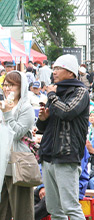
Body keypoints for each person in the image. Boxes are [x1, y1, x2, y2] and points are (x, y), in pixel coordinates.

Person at [37, 54, 89, 220]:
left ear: (70, 72)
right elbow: (47, 127)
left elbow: (67, 111)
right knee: (54, 208)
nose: (54, 72)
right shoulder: (56, 91)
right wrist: (43, 119)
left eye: (58, 68)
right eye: (53, 69)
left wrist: (52, 97)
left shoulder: (80, 91)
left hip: (66, 156)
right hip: (49, 156)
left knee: (70, 207)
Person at [0, 71, 35, 219]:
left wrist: (7, 113)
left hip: (19, 162)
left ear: (21, 87)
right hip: (0, 163)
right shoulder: (2, 105)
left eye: (11, 85)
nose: (7, 88)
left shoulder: (26, 108)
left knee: (21, 211)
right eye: (5, 85)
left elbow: (16, 134)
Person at [34, 147, 90, 220]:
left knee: (47, 204)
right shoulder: (50, 144)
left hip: (75, 186)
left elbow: (74, 174)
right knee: (34, 197)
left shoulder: (77, 146)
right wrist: (42, 186)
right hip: (53, 184)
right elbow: (43, 168)